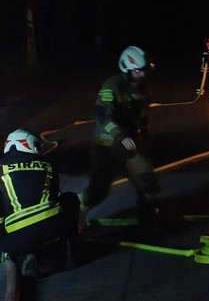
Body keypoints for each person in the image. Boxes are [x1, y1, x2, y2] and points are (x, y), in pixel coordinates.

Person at [81, 46, 160, 225]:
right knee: (98, 189)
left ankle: (148, 215)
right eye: (138, 71)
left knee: (146, 178)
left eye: (144, 71)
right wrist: (119, 135)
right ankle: (78, 217)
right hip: (106, 145)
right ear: (127, 69)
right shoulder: (112, 85)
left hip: (130, 142)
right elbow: (102, 114)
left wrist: (145, 136)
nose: (142, 75)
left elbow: (143, 116)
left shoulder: (144, 88)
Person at [1, 129, 80, 278]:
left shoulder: (1, 169)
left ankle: (22, 257)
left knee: (8, 224)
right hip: (54, 228)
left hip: (18, 238)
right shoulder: (47, 164)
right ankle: (72, 254)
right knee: (70, 198)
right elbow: (55, 194)